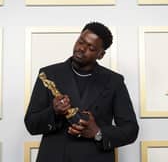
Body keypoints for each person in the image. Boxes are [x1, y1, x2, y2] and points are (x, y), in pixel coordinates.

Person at [24, 22, 139, 162]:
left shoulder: (114, 81)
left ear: (101, 54)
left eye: (91, 47)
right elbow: (31, 124)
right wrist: (54, 112)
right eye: (81, 41)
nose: (81, 48)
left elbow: (131, 130)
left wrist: (98, 133)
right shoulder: (48, 74)